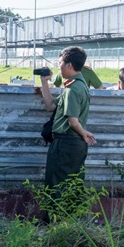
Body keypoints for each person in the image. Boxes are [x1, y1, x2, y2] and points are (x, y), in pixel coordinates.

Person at [37, 46, 97, 198]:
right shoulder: (78, 85)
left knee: (55, 184)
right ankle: (70, 220)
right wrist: (44, 82)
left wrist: (84, 133)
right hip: (72, 144)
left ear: (69, 65)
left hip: (66, 143)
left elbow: (73, 121)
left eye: (60, 63)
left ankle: (53, 221)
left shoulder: (73, 89)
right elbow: (51, 106)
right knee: (72, 185)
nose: (59, 67)